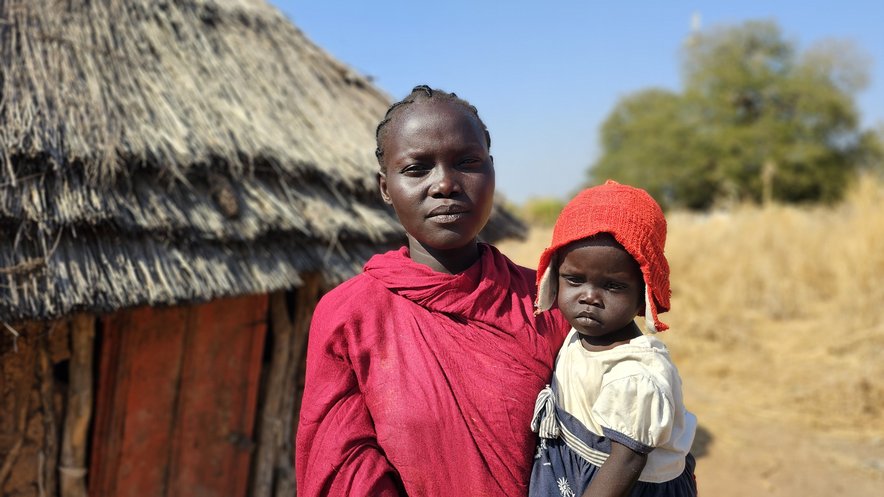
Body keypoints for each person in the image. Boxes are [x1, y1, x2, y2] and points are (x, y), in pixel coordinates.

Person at [295, 85, 570, 497]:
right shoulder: (348, 315)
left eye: (467, 163)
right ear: (385, 188)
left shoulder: (546, 300)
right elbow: (343, 467)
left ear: (492, 171)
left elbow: (601, 438)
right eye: (416, 169)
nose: (445, 184)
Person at [529, 181, 697, 497]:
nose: (589, 297)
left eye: (613, 286)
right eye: (575, 280)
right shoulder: (580, 335)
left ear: (643, 298)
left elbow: (626, 463)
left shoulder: (635, 376)